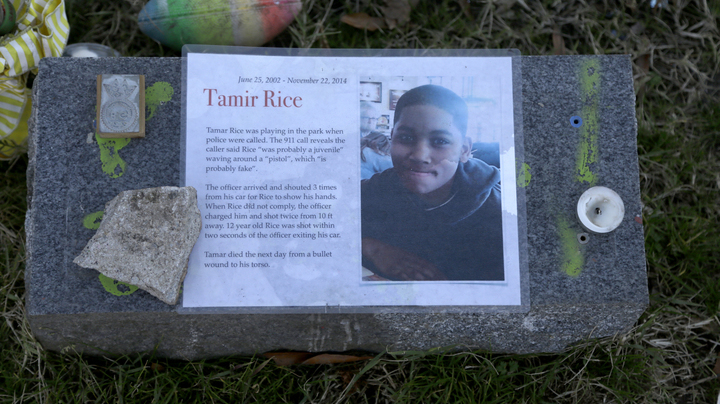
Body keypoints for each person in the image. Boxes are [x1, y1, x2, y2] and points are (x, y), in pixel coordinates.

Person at [361, 84, 504, 281]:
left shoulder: (499, 218)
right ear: (392, 138)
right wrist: (371, 248)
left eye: (440, 141)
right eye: (406, 137)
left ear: (464, 149)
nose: (420, 156)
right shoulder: (382, 186)